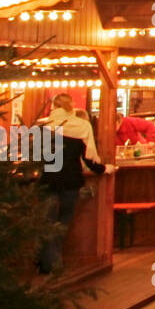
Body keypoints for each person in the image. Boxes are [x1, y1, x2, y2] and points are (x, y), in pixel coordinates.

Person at [38, 94, 114, 274]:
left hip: (47, 181)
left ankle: (47, 263)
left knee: (46, 222)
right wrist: (104, 169)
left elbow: (32, 155)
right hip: (71, 181)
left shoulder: (43, 127)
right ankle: (54, 262)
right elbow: (89, 159)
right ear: (71, 107)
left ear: (54, 107)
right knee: (63, 222)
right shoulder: (81, 127)